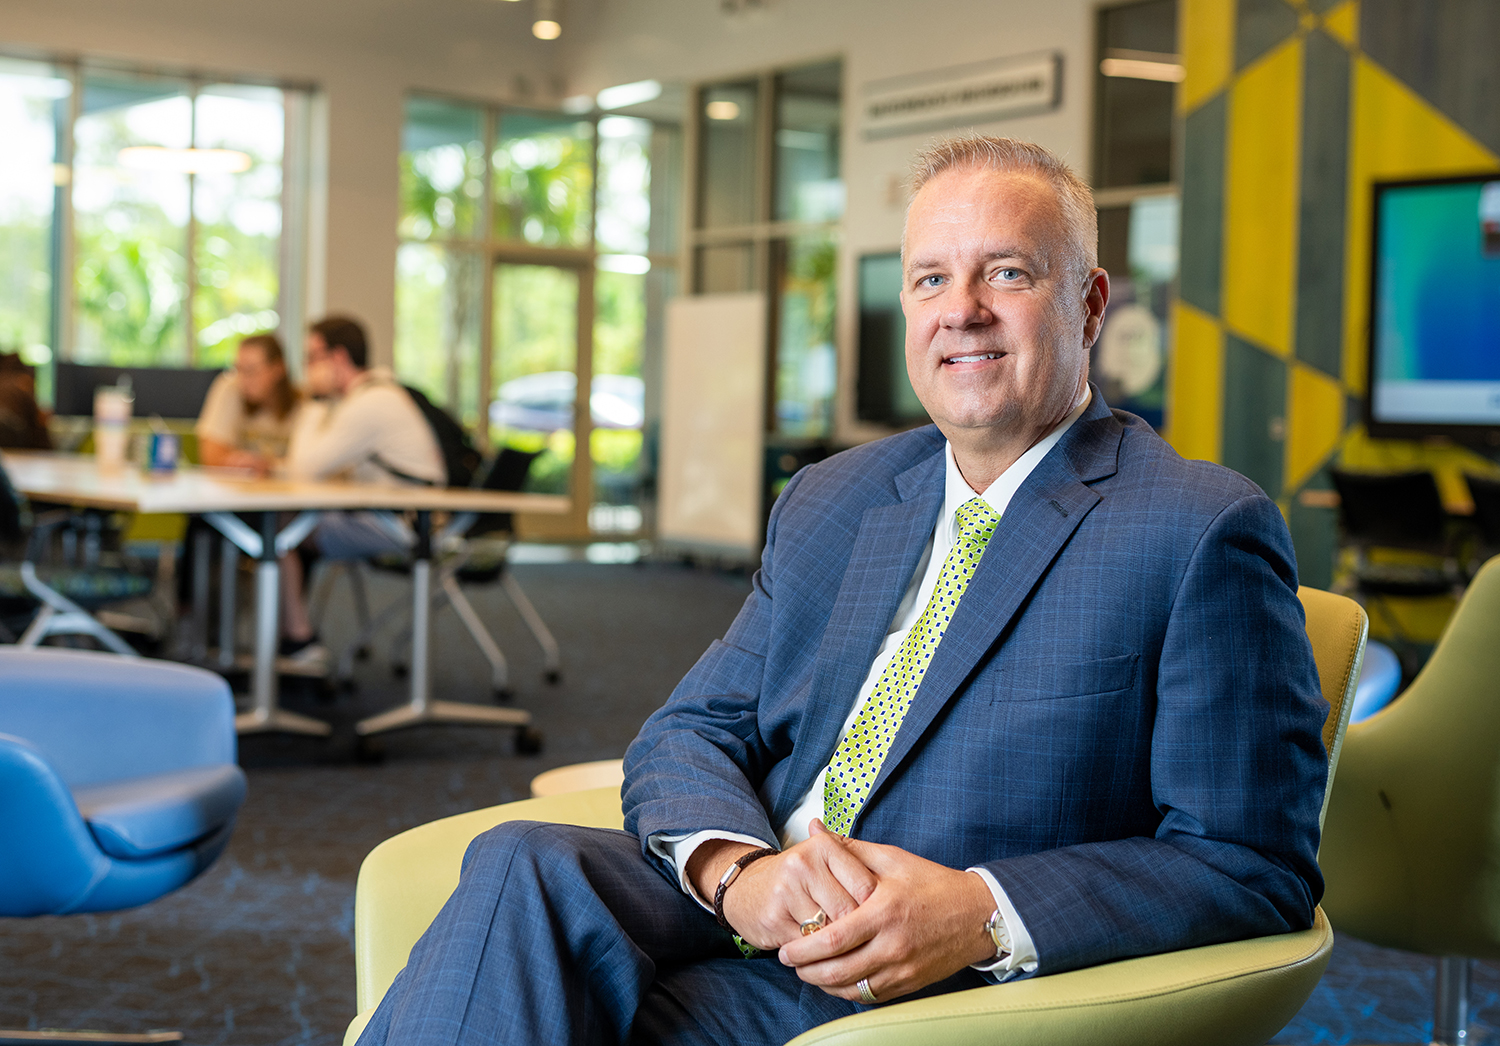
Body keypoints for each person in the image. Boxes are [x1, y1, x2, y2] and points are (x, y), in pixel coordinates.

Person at [356, 135, 1328, 1045]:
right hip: (762, 883)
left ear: (1088, 301)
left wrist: (981, 912)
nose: (963, 310)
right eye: (930, 278)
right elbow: (693, 725)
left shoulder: (1198, 527)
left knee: (568, 1008)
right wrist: (737, 873)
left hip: (905, 963)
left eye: (1008, 272)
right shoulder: (837, 494)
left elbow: (1250, 862)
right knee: (522, 862)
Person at [278, 316, 444, 663]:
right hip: (403, 520)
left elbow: (302, 470)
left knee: (282, 526)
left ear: (337, 358)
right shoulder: (378, 395)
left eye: (311, 358)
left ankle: (296, 639)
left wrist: (314, 398)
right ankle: (291, 637)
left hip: (405, 529)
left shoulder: (369, 404)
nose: (306, 369)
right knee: (293, 522)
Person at [195, 333, 300, 474]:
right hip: (239, 492)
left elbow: (309, 466)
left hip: (288, 493)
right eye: (239, 369)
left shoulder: (305, 402)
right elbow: (210, 457)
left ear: (277, 369)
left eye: (251, 370)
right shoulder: (231, 387)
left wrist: (268, 465)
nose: (243, 380)